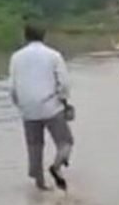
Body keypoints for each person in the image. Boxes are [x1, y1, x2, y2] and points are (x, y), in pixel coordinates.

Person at [9, 23, 74, 191]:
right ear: (44, 36)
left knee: (34, 146)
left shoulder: (16, 57)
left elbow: (13, 87)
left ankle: (40, 185)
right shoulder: (53, 55)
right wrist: (64, 100)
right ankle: (57, 166)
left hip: (28, 109)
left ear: (25, 36)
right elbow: (64, 83)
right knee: (65, 142)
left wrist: (21, 105)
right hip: (51, 106)